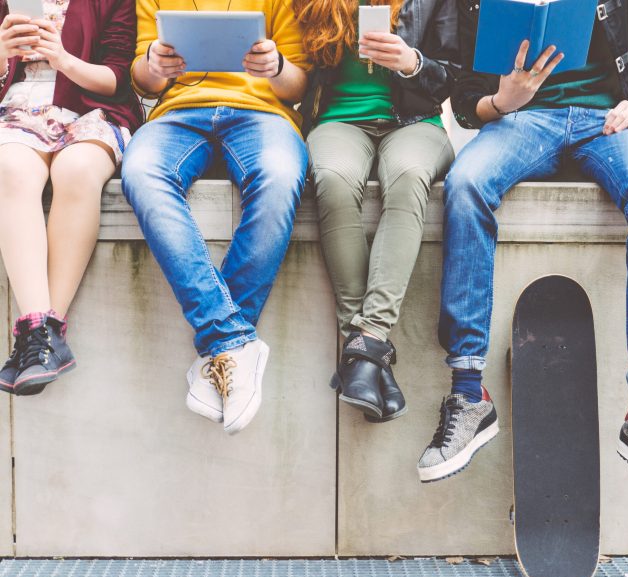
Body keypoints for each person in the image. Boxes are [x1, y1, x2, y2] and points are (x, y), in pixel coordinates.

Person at [417, 0, 628, 489]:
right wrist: (504, 100)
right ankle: (467, 394)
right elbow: (466, 105)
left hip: (608, 120)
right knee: (466, 186)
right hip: (523, 122)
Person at [121, 0, 310, 435]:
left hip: (263, 114)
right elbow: (143, 83)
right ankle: (232, 341)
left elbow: (298, 85)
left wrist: (276, 66)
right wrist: (154, 64)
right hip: (177, 114)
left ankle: (219, 349)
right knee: (141, 172)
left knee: (280, 177)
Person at [295, 0, 457, 422]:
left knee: (407, 176)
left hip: (416, 122)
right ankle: (367, 352)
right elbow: (296, 72)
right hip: (336, 120)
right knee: (331, 178)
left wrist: (412, 63)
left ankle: (366, 340)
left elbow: (454, 77)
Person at [0, 0, 142, 396]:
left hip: (89, 109)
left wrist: (63, 59)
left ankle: (42, 336)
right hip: (15, 111)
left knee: (78, 170)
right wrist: (2, 51)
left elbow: (117, 78)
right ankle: (39, 335)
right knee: (9, 168)